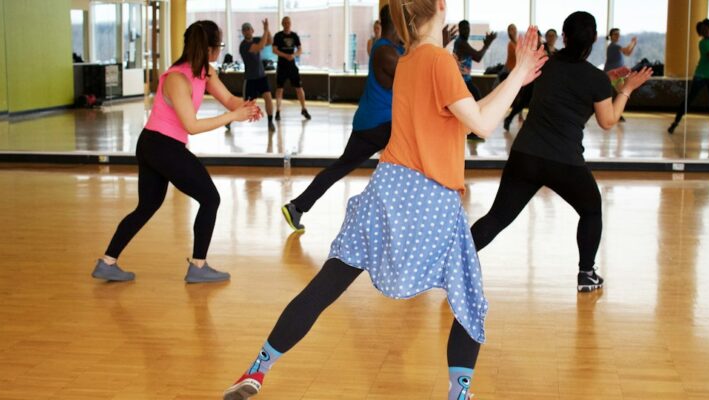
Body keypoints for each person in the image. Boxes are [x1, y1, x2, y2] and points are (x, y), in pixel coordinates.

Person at [222, 0, 546, 398]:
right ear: (441, 6)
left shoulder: (409, 60)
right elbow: (482, 124)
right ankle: (459, 393)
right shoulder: (439, 62)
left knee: (328, 283)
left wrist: (517, 78)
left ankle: (257, 369)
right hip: (430, 196)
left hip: (388, 186)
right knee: (468, 296)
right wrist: (517, 74)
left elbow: (473, 118)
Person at [470, 11, 653, 293]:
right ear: (593, 39)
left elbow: (566, 79)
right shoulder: (595, 80)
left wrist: (607, 80)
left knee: (497, 217)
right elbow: (608, 121)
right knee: (591, 209)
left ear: (564, 37)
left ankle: (453, 264)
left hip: (525, 155)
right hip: (564, 162)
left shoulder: (545, 65)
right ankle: (586, 274)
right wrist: (627, 88)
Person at [91, 21, 262, 283]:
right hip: (160, 146)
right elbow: (191, 126)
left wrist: (246, 107)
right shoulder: (177, 78)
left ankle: (107, 262)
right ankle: (198, 266)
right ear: (208, 48)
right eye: (219, 45)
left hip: (158, 145)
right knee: (210, 198)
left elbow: (229, 99)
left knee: (147, 205)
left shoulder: (206, 72)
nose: (219, 50)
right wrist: (232, 116)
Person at [281, 6, 456, 232]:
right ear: (397, 22)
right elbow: (416, 71)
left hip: (373, 123)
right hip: (379, 125)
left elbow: (415, 59)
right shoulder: (385, 52)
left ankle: (297, 206)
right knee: (415, 164)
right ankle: (412, 222)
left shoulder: (394, 48)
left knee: (351, 168)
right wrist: (436, 42)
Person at [668, 19, 709, 135]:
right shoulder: (702, 43)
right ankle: (675, 123)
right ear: (700, 33)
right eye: (702, 30)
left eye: (707, 29)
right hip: (701, 75)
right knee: (689, 100)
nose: (705, 31)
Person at [454, 20, 496, 142]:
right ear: (460, 30)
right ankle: (472, 131)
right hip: (462, 81)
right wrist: (487, 45)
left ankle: (471, 130)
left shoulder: (462, 42)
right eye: (464, 29)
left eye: (468, 29)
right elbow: (477, 57)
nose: (466, 31)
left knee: (476, 102)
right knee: (477, 101)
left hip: (466, 80)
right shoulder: (461, 43)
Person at [503, 30, 545, 131]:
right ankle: (509, 119)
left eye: (537, 37)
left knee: (532, 103)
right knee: (523, 102)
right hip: (529, 80)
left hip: (539, 80)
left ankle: (529, 123)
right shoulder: (530, 49)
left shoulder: (545, 48)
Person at [239, 19, 276, 132]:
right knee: (246, 105)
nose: (246, 32)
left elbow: (269, 41)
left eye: (248, 29)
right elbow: (260, 47)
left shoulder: (255, 40)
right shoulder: (243, 46)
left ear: (252, 30)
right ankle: (229, 120)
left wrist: (267, 29)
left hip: (261, 77)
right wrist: (265, 30)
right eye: (244, 30)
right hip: (250, 80)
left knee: (268, 99)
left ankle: (270, 122)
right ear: (243, 33)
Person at [273, 16, 311, 121]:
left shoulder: (294, 36)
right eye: (285, 22)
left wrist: (293, 55)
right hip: (281, 66)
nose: (286, 24)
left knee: (299, 88)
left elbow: (300, 49)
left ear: (290, 23)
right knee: (279, 89)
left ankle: (304, 109)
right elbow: (274, 50)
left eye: (288, 22)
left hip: (292, 66)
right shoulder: (278, 36)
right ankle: (278, 111)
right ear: (282, 24)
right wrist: (285, 55)